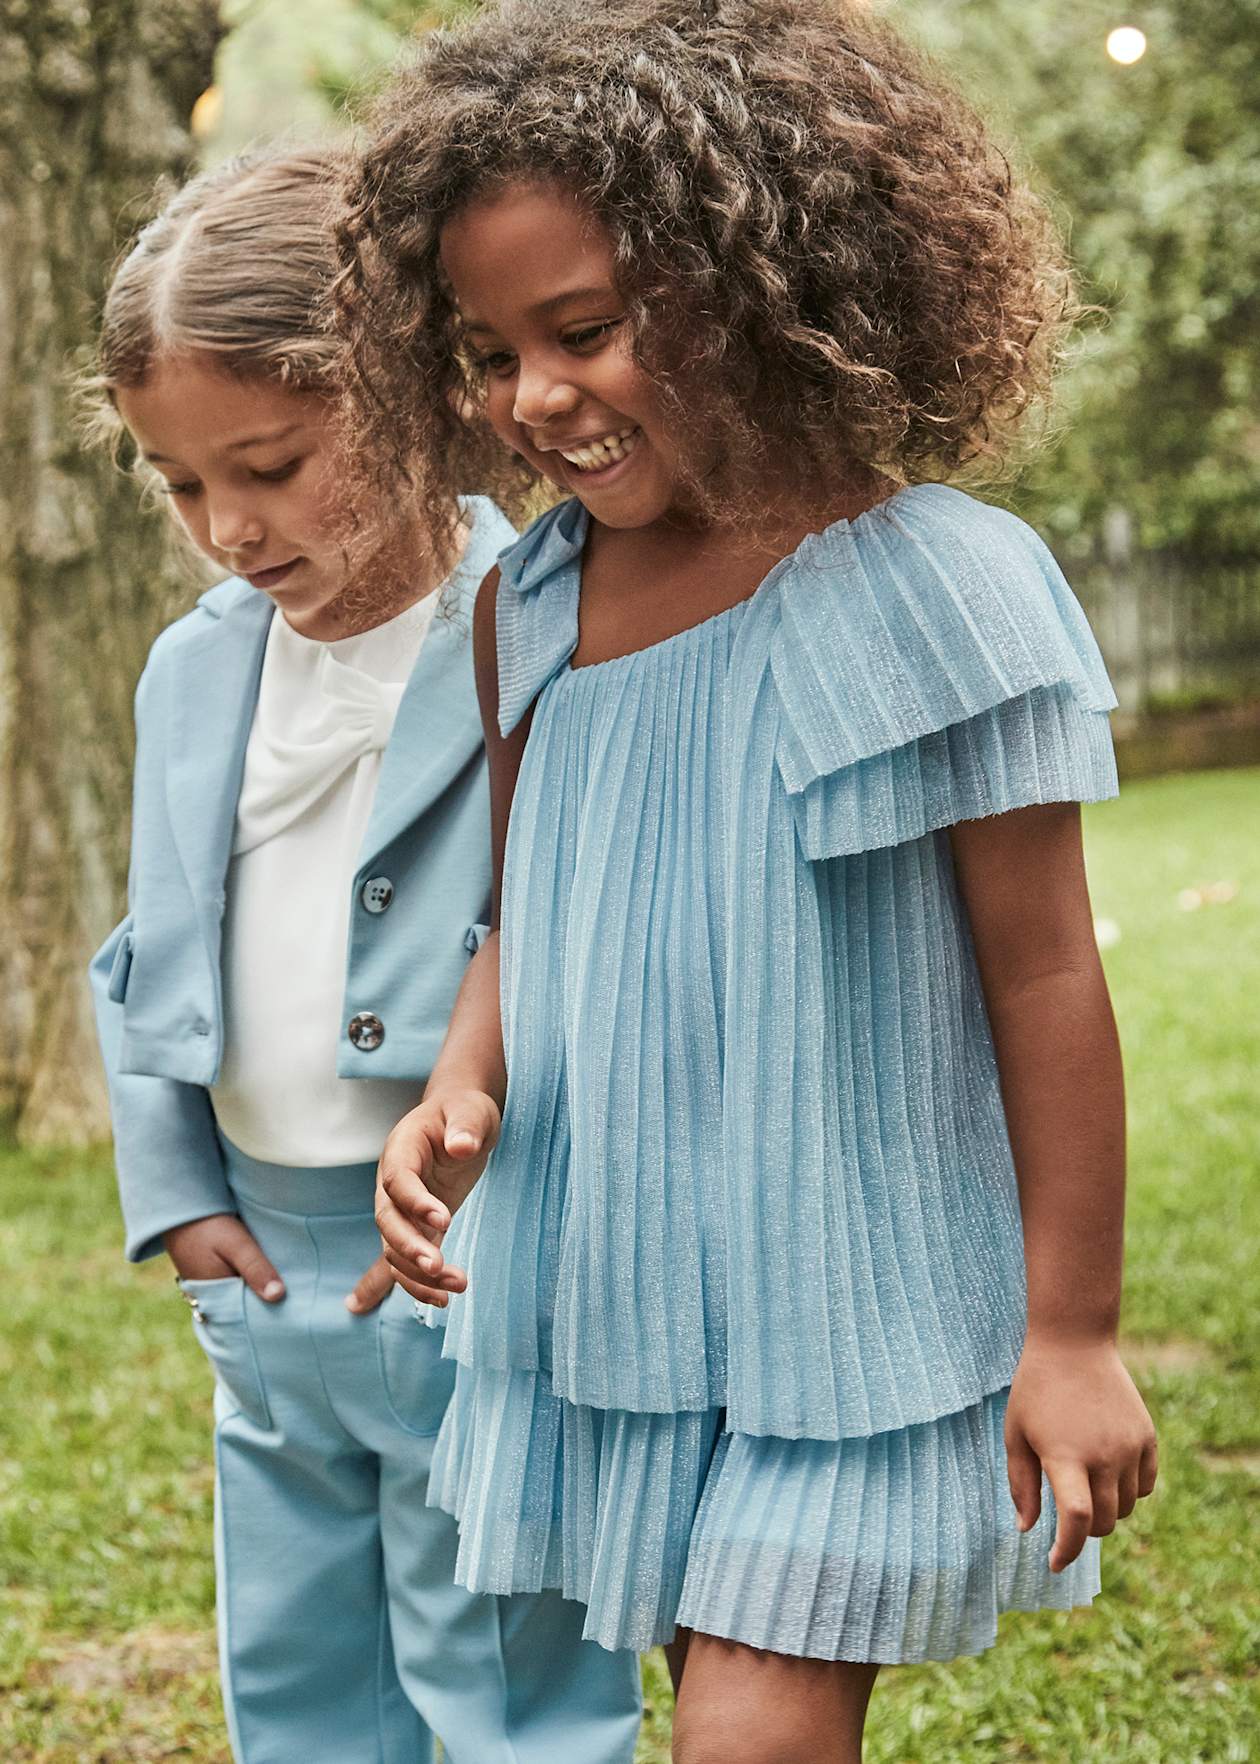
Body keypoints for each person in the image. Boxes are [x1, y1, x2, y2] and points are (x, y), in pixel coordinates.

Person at [338, 3, 1159, 1759]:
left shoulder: (936, 587)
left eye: (586, 330)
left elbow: (1043, 974)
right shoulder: (526, 605)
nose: (533, 398)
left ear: (763, 279)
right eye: (487, 353)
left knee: (750, 1716)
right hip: (622, 1284)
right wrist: (461, 1083)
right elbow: (527, 899)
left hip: (856, 1303)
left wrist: (1075, 1327)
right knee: (709, 1684)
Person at [84, 145, 642, 1764]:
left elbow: (577, 933)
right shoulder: (193, 671)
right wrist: (178, 1197)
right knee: (299, 1664)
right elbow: (149, 944)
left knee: (504, 1674)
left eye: (268, 466)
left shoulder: (548, 625)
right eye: (182, 485)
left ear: (402, 391)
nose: (226, 528)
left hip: (476, 1258)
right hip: (262, 1259)